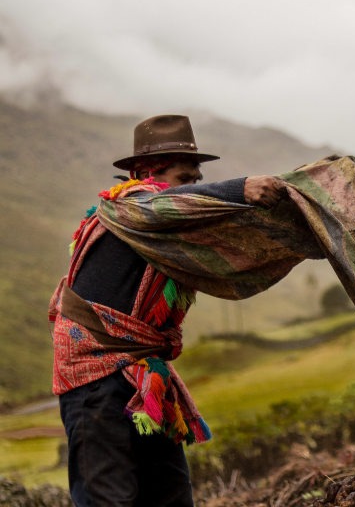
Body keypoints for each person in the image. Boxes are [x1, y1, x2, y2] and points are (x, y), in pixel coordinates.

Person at [49, 114, 283, 506]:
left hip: (143, 375)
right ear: (145, 174)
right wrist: (242, 188)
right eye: (184, 178)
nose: (194, 187)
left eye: (196, 179)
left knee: (170, 495)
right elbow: (166, 205)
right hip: (94, 381)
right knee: (107, 499)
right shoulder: (131, 209)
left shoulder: (167, 224)